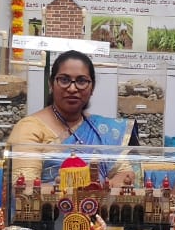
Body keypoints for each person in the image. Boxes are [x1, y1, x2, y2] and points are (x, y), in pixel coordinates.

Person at [9, 50, 138, 187]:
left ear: (92, 87)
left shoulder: (101, 129)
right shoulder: (29, 128)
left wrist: (110, 186)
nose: (72, 88)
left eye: (81, 81)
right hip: (49, 207)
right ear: (51, 84)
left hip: (98, 206)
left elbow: (124, 172)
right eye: (64, 80)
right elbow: (24, 186)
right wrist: (72, 191)